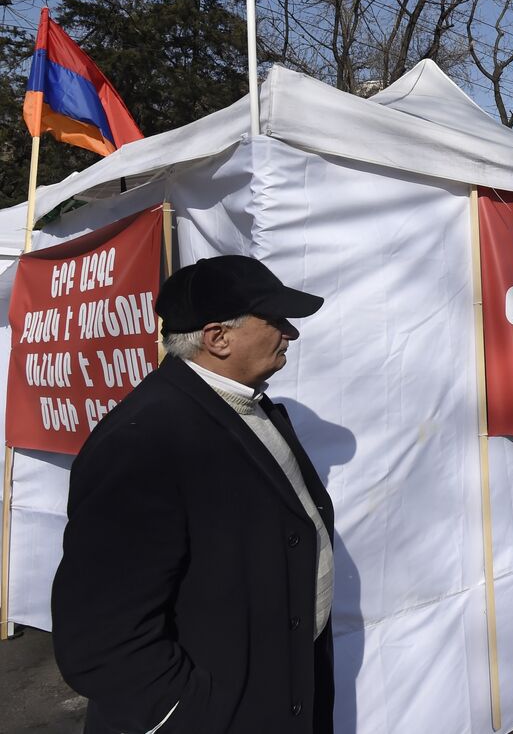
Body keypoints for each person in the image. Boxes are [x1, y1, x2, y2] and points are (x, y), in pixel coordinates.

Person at [52, 255, 334, 734]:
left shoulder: (248, 402)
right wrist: (187, 713)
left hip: (274, 694)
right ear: (217, 338)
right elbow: (99, 638)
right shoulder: (144, 440)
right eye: (277, 321)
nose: (291, 333)